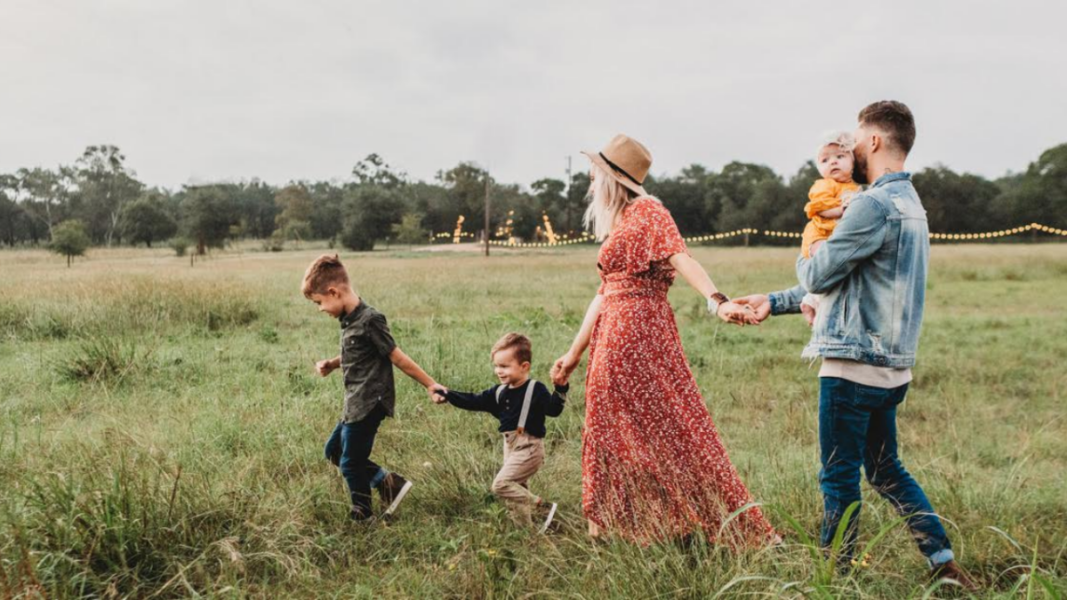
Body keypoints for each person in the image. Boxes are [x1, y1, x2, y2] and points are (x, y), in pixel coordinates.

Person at [735, 101, 977, 589]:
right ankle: (943, 564)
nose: (849, 149)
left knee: (838, 476)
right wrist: (776, 301)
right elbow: (851, 281)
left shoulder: (870, 204)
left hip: (851, 366)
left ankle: (834, 578)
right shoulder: (912, 204)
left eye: (856, 139)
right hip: (892, 368)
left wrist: (809, 252)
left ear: (874, 141)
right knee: (887, 470)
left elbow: (821, 272)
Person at [550, 133, 777, 545]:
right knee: (614, 430)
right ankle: (620, 528)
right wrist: (573, 353)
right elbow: (603, 293)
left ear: (612, 178)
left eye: (594, 172)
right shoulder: (621, 221)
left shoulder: (649, 211)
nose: (588, 180)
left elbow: (681, 257)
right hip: (614, 332)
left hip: (637, 332)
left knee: (667, 427)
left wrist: (717, 301)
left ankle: (681, 523)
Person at [303, 253, 441, 521]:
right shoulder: (350, 321)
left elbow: (396, 356)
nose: (320, 309)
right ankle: (388, 483)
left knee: (350, 462)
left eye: (319, 302)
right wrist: (332, 363)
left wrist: (431, 384)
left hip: (370, 402)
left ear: (334, 292)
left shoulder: (370, 319)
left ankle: (363, 513)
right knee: (334, 451)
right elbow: (359, 354)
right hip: (354, 402)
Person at [432, 333, 567, 533]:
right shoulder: (499, 392)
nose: (499, 371)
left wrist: (560, 387)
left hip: (529, 447)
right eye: (496, 366)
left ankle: (542, 508)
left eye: (504, 366)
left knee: (502, 485)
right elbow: (473, 400)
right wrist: (447, 394)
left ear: (525, 367)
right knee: (515, 494)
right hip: (510, 446)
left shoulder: (534, 389)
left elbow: (553, 410)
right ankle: (526, 534)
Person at [799, 131, 862, 324]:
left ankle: (811, 301)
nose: (833, 162)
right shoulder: (825, 185)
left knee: (837, 268)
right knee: (825, 262)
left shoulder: (856, 187)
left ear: (852, 162)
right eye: (825, 160)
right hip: (819, 234)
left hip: (834, 235)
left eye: (840, 157)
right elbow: (820, 208)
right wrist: (841, 210)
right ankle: (813, 302)